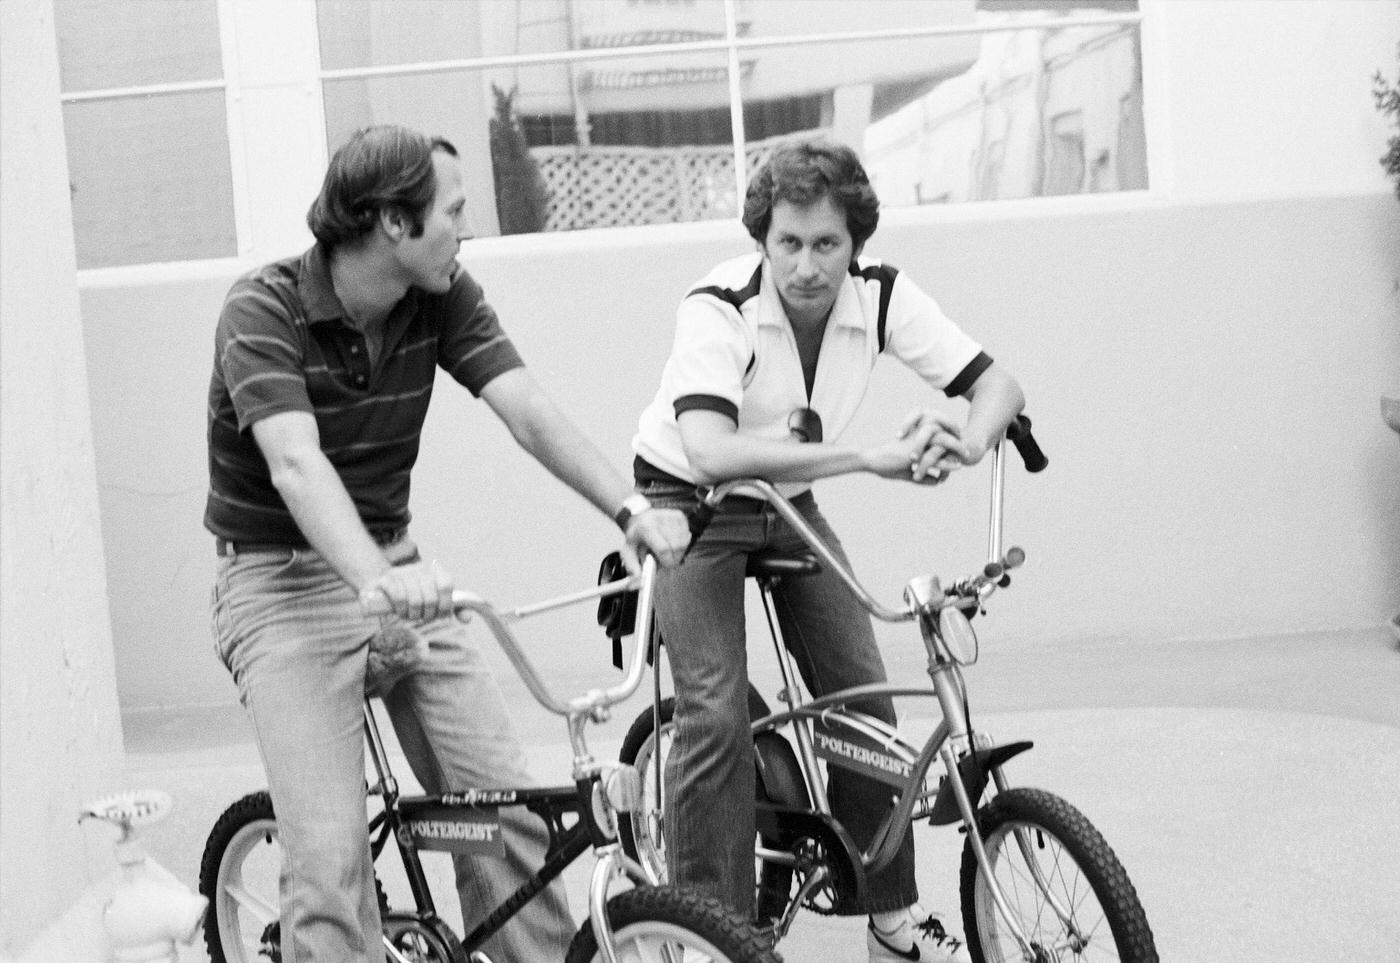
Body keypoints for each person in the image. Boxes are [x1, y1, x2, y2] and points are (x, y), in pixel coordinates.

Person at [205, 124, 691, 963]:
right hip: (280, 588)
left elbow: (526, 409)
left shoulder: (443, 295)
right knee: (328, 866)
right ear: (394, 222)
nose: (465, 229)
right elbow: (294, 461)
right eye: (454, 209)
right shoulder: (263, 307)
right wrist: (372, 578)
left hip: (392, 567)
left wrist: (629, 506)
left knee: (510, 817)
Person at [630, 140, 1025, 963]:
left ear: (856, 244)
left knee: (865, 704)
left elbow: (996, 385)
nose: (807, 266)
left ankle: (892, 922)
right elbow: (707, 448)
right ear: (763, 240)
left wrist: (967, 435)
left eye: (827, 245)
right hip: (687, 507)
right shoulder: (717, 305)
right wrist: (868, 456)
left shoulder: (881, 296)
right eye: (788, 244)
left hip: (788, 500)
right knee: (715, 712)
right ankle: (710, 937)